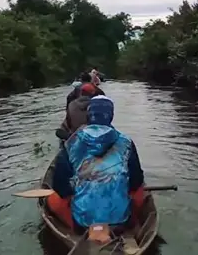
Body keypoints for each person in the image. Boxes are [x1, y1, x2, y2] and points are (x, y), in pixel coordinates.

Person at [47, 96, 146, 240]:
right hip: (121, 220)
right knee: (139, 190)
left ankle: (75, 230)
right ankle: (132, 225)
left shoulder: (71, 142)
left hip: (82, 222)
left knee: (53, 199)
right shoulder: (126, 142)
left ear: (88, 115)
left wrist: (75, 188)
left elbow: (59, 185)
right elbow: (136, 181)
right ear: (111, 116)